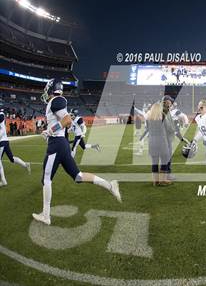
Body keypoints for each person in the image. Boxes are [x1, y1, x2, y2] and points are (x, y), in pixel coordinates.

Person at [32, 79, 121, 226]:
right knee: (78, 176)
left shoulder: (56, 100)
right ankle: (110, 186)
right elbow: (65, 120)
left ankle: (46, 216)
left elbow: (67, 120)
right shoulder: (57, 101)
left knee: (46, 179)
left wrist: (50, 131)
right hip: (62, 144)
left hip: (56, 145)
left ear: (51, 89)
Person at [0, 109, 31, 187]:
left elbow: (1, 118)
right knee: (12, 159)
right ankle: (25, 164)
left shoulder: (1, 114)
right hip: (5, 141)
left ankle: (3, 181)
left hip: (2, 141)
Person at [145, 102, 172, 186]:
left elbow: (148, 129)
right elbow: (169, 128)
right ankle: (162, 180)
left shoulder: (148, 117)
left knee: (154, 162)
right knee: (165, 160)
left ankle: (155, 181)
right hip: (162, 142)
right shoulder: (163, 116)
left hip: (152, 142)